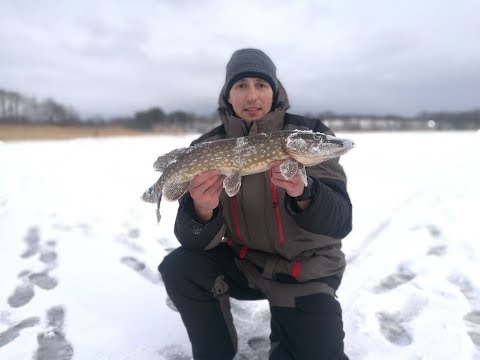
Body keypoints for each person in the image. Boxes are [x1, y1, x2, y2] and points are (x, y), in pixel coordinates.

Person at [159, 48, 351, 360]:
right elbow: (190, 240)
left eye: (261, 85)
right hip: (244, 264)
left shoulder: (308, 136)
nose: (252, 96)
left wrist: (306, 194)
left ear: (275, 91)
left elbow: (341, 222)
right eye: (241, 86)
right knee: (181, 266)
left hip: (305, 271)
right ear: (228, 95)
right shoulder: (206, 147)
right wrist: (202, 210)